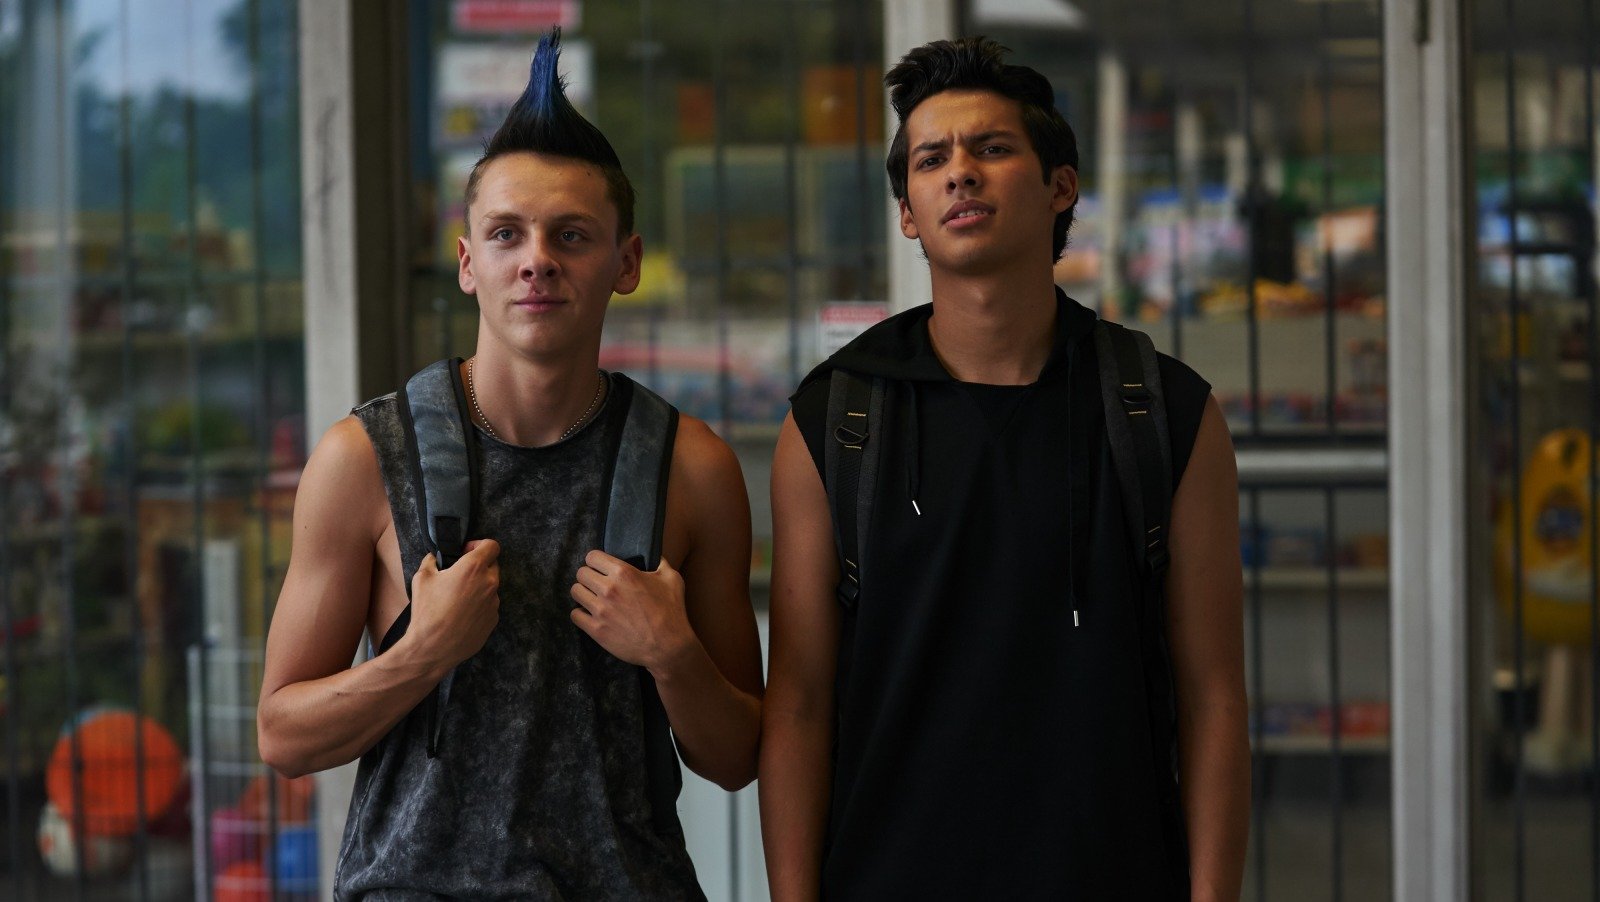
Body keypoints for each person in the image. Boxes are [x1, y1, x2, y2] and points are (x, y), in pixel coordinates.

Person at [257, 30, 762, 900]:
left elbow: (739, 755)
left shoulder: (691, 469)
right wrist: (419, 654)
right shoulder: (364, 459)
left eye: (571, 235)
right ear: (468, 263)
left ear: (626, 262)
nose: (537, 260)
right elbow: (282, 737)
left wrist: (674, 655)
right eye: (506, 234)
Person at [759, 36, 1249, 900]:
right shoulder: (837, 420)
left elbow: (1213, 697)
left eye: (991, 148)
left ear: (1060, 187)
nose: (960, 173)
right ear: (907, 213)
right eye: (931, 160)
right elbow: (797, 705)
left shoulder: (1162, 413)